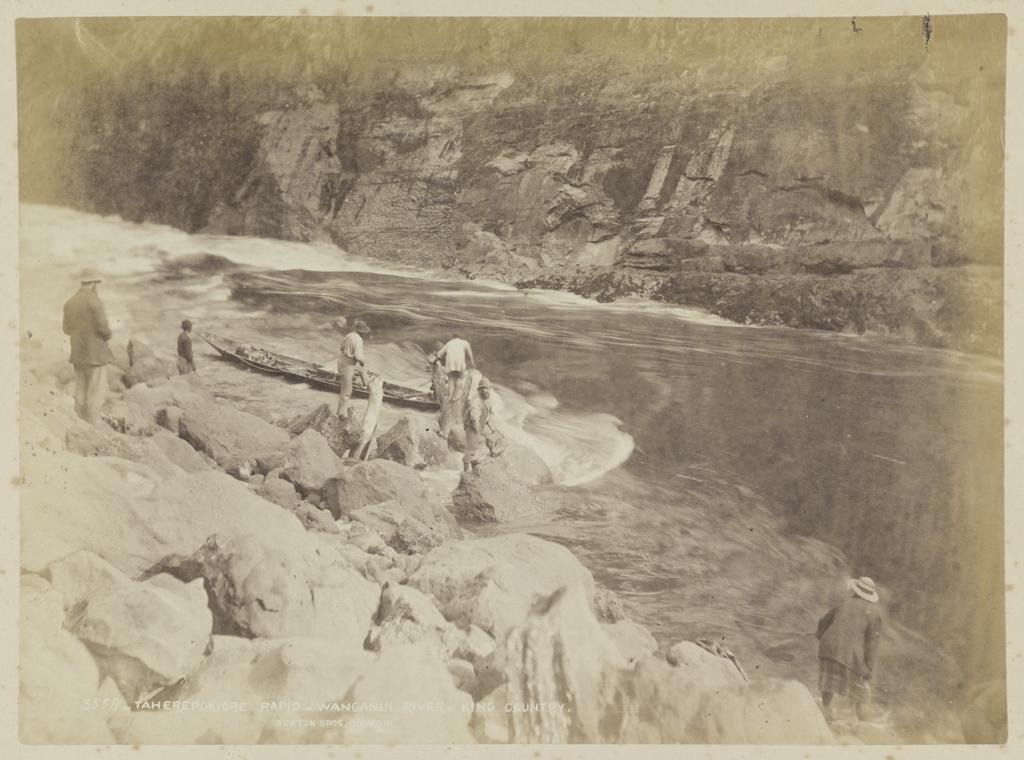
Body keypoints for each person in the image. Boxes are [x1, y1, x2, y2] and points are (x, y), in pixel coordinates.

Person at [816, 576, 884, 722]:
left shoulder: (843, 602)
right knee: (862, 689)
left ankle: (826, 709)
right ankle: (863, 722)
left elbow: (823, 622)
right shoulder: (874, 613)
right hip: (849, 654)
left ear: (855, 590)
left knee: (829, 680)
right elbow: (872, 644)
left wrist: (820, 635)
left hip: (828, 648)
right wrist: (868, 670)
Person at [62, 268, 115, 425]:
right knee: (95, 392)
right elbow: (104, 331)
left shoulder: (69, 302)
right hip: (95, 356)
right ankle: (94, 426)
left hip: (78, 354)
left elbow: (65, 329)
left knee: (80, 392)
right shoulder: (95, 301)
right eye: (96, 283)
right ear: (93, 284)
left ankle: (80, 424)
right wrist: (108, 334)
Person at [436, 331, 475, 438]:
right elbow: (470, 354)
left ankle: (451, 395)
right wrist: (472, 362)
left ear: (453, 337)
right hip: (460, 366)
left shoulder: (450, 343)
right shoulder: (465, 343)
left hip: (450, 366)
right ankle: (456, 395)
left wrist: (438, 359)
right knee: (460, 379)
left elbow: (440, 353)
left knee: (451, 380)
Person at [337, 319, 372, 417]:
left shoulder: (349, 335)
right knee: (347, 391)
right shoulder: (359, 340)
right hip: (347, 365)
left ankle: (365, 383)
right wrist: (363, 361)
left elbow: (341, 347)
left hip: (342, 361)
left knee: (361, 369)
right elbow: (357, 356)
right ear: (363, 332)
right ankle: (341, 414)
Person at [463, 376, 495, 472]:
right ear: (480, 391)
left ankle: (492, 452)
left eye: (488, 389)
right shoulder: (476, 402)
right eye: (485, 389)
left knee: (491, 438)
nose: (487, 391)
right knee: (470, 449)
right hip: (471, 426)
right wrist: (478, 433)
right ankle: (466, 471)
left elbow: (488, 415)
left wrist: (492, 428)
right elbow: (474, 419)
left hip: (481, 424)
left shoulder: (487, 400)